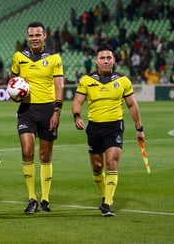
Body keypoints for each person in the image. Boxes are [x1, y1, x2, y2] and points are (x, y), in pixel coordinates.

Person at [71, 45, 145, 217]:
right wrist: (77, 117)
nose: (106, 61)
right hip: (94, 127)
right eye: (102, 58)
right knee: (97, 167)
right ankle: (107, 196)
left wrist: (139, 128)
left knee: (112, 162)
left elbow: (132, 105)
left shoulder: (123, 81)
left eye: (109, 58)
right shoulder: (86, 80)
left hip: (114, 127)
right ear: (96, 61)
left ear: (114, 60)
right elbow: (77, 101)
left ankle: (106, 205)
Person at [9, 22, 65, 214]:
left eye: (37, 35)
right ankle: (31, 198)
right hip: (27, 110)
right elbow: (13, 80)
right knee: (27, 151)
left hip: (48, 110)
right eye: (31, 35)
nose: (34, 38)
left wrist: (57, 111)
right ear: (27, 37)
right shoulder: (19, 57)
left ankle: (45, 199)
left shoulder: (54, 58)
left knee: (45, 155)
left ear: (44, 36)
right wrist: (13, 93)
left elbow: (59, 87)